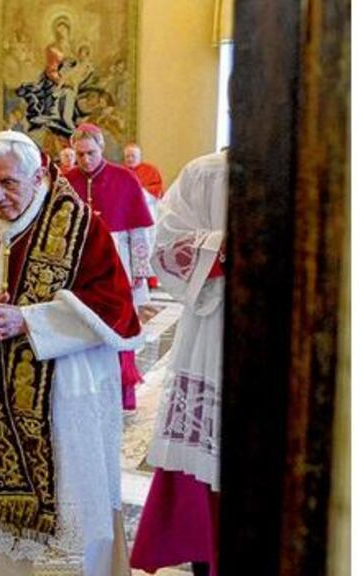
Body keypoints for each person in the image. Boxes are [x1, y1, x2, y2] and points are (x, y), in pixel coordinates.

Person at [0, 130, 142, 575]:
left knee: (72, 506)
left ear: (37, 174)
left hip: (65, 391)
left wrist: (29, 321)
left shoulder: (81, 226)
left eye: (8, 183)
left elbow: (114, 305)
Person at [130, 151, 227, 576]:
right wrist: (226, 244)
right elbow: (164, 247)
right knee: (208, 465)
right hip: (215, 330)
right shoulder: (206, 173)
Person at [64, 123, 154, 410]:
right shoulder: (65, 181)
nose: (85, 160)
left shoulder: (125, 178)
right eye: (79, 155)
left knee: (119, 323)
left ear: (101, 148)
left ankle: (122, 390)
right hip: (78, 261)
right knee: (83, 323)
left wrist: (140, 269)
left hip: (119, 257)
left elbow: (139, 228)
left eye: (90, 153)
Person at [123, 143, 165, 288]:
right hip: (126, 217)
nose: (130, 158)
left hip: (146, 214)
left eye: (133, 156)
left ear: (140, 156)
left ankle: (151, 280)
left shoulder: (150, 170)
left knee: (149, 245)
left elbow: (157, 189)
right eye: (127, 156)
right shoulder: (120, 172)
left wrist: (138, 193)